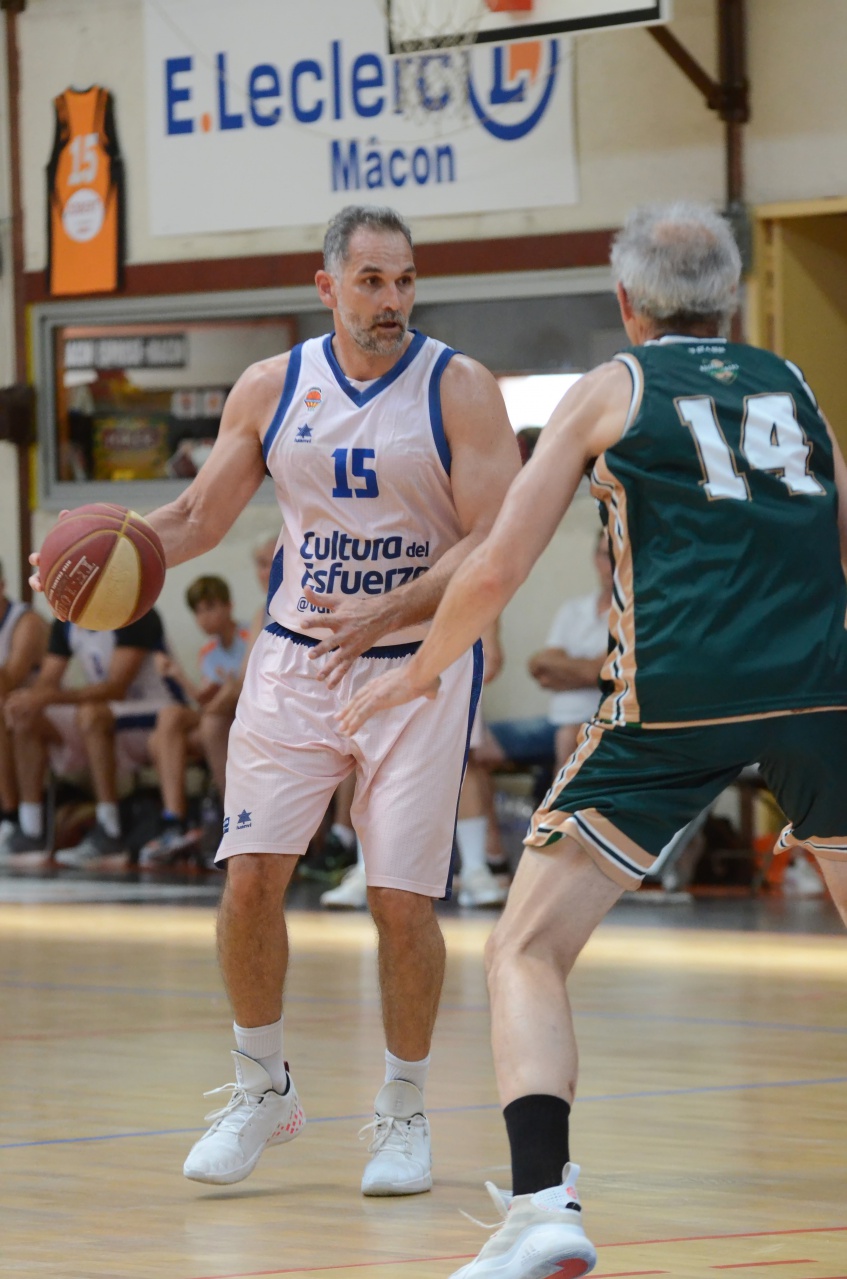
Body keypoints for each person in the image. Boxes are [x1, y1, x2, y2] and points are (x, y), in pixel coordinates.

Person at [339, 201, 847, 1278]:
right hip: (821, 691)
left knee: (523, 949)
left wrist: (416, 674)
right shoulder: (795, 385)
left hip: (677, 694)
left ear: (626, 302)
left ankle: (543, 1209)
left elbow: (494, 566)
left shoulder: (613, 386)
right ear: (730, 297)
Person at [30, 205, 519, 1191]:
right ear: (327, 286)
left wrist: (392, 607)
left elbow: (493, 538)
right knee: (249, 876)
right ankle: (262, 1087)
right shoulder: (271, 385)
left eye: (404, 280)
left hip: (415, 665)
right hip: (296, 659)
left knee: (399, 899)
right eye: (371, 281)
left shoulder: (459, 387)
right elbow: (198, 515)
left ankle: (404, 1108)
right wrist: (106, 553)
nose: (391, 299)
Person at [1, 608, 183, 866]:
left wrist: (48, 696)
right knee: (25, 715)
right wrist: (31, 699)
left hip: (156, 709)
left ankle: (110, 830)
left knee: (92, 715)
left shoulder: (135, 610)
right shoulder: (66, 620)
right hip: (108, 711)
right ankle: (31, 830)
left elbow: (116, 688)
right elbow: (47, 682)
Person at [480, 531, 612, 780]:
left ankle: (558, 805)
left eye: (621, 555)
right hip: (552, 722)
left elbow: (599, 673)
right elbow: (539, 668)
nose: (613, 564)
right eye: (607, 554)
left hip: (600, 724)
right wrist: (589, 671)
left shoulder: (634, 616)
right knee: (473, 743)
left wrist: (569, 669)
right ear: (596, 558)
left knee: (569, 736)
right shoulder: (573, 610)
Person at [140, 575, 250, 865]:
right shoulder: (208, 652)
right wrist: (176, 674)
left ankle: (186, 821)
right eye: (198, 611)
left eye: (210, 607)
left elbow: (237, 692)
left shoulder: (249, 637)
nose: (204, 618)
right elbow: (205, 701)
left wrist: (225, 693)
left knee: (162, 740)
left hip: (242, 718)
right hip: (216, 717)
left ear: (229, 606)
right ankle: (175, 819)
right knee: (169, 718)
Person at [0, 560, 48, 849]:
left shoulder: (26, 622)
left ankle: (10, 815)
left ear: (2, 586)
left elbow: (10, 681)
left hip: (43, 711)